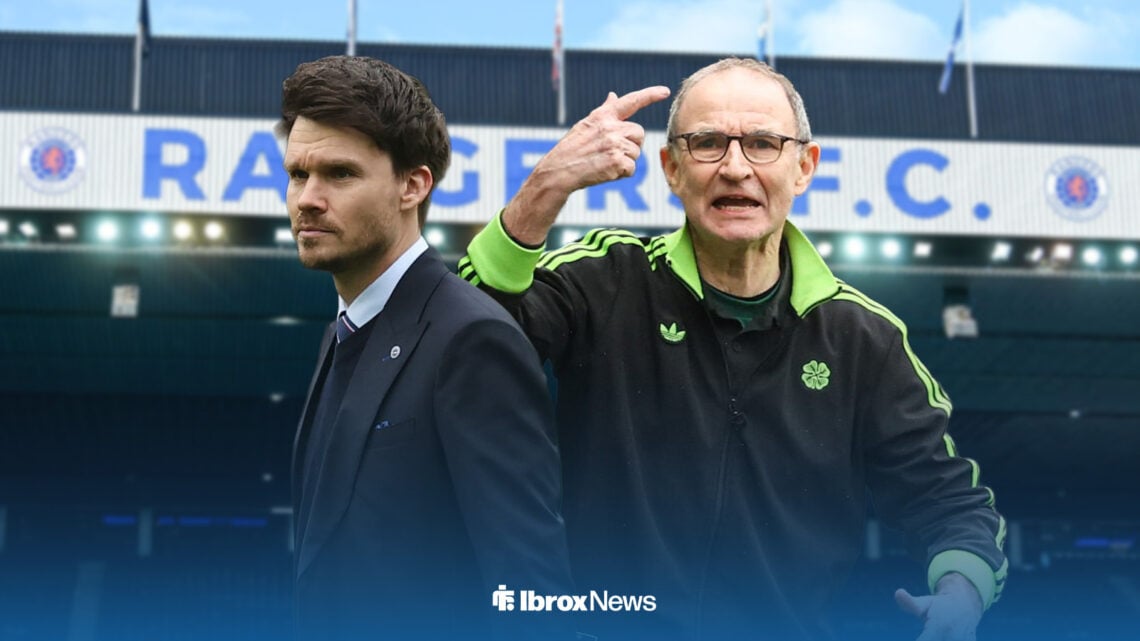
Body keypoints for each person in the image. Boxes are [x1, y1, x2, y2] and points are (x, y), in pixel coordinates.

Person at [459, 58, 1007, 640]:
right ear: (671, 169)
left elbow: (951, 503)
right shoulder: (605, 278)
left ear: (804, 167)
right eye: (708, 143)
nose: (736, 167)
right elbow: (465, 340)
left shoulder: (864, 337)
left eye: (764, 144)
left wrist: (960, 595)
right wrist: (546, 186)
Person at [279, 55, 575, 641]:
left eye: (339, 174)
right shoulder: (344, 329)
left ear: (412, 185)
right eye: (297, 174)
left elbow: (529, 587)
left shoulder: (471, 339)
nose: (307, 198)